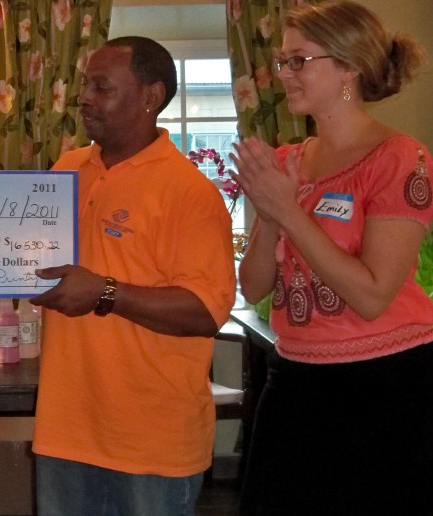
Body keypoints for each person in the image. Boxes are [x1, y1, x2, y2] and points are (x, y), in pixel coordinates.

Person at [230, 2, 433, 514]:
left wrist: (286, 209)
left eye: (299, 60)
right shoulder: (288, 161)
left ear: (349, 66)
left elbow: (371, 295)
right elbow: (252, 285)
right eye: (281, 61)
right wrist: (272, 213)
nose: (284, 75)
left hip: (384, 385)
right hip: (295, 375)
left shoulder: (401, 158)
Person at [30, 36, 237, 515]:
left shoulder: (189, 192)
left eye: (101, 87)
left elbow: (207, 311)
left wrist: (104, 292)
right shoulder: (65, 170)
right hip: (65, 431)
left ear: (150, 97)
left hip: (152, 443)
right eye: (85, 84)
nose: (84, 97)